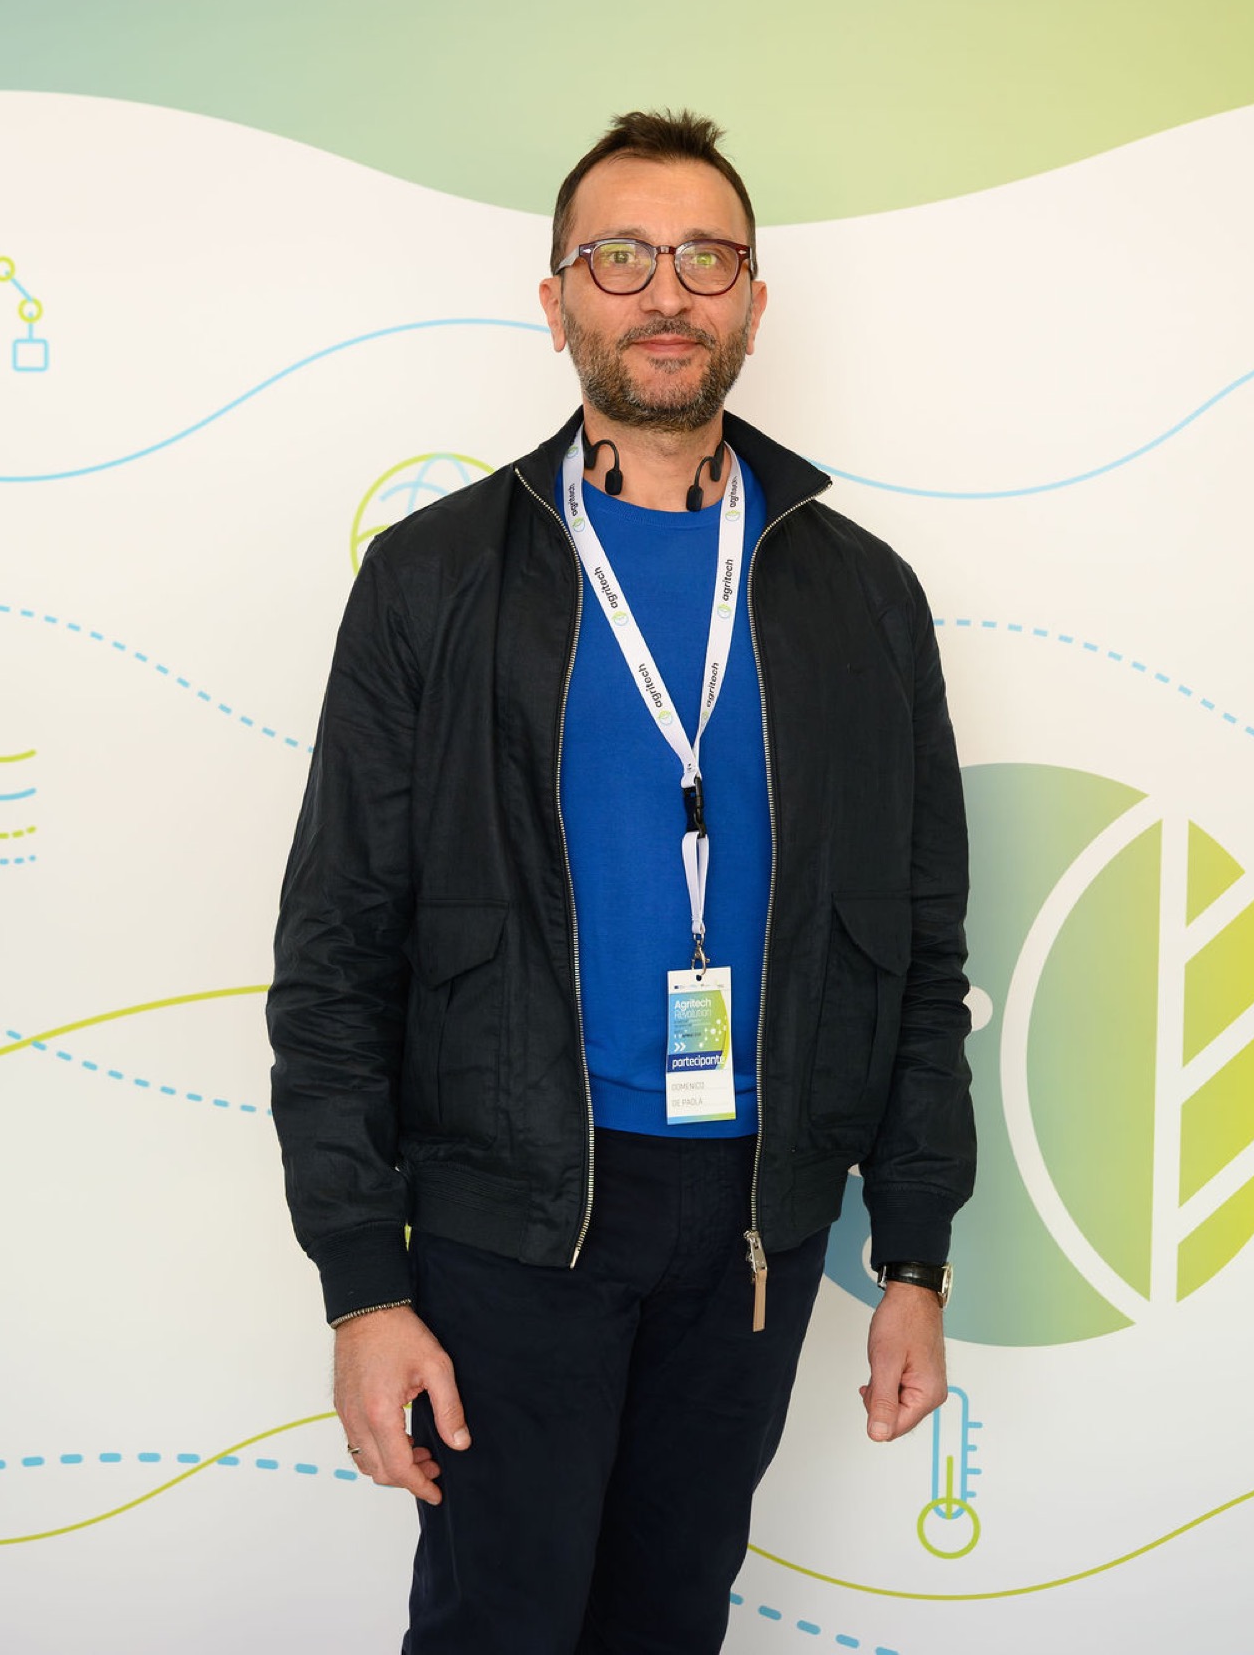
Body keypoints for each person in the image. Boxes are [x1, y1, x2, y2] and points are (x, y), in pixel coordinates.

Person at [266, 108, 975, 1654]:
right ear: (556, 298)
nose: (666, 291)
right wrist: (363, 1289)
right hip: (506, 1217)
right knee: (499, 1626)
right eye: (621, 256)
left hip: (754, 1226)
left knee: (667, 1621)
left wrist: (913, 1258)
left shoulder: (862, 598)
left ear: (753, 301)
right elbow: (335, 954)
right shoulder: (433, 580)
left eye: (705, 257)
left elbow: (921, 954)